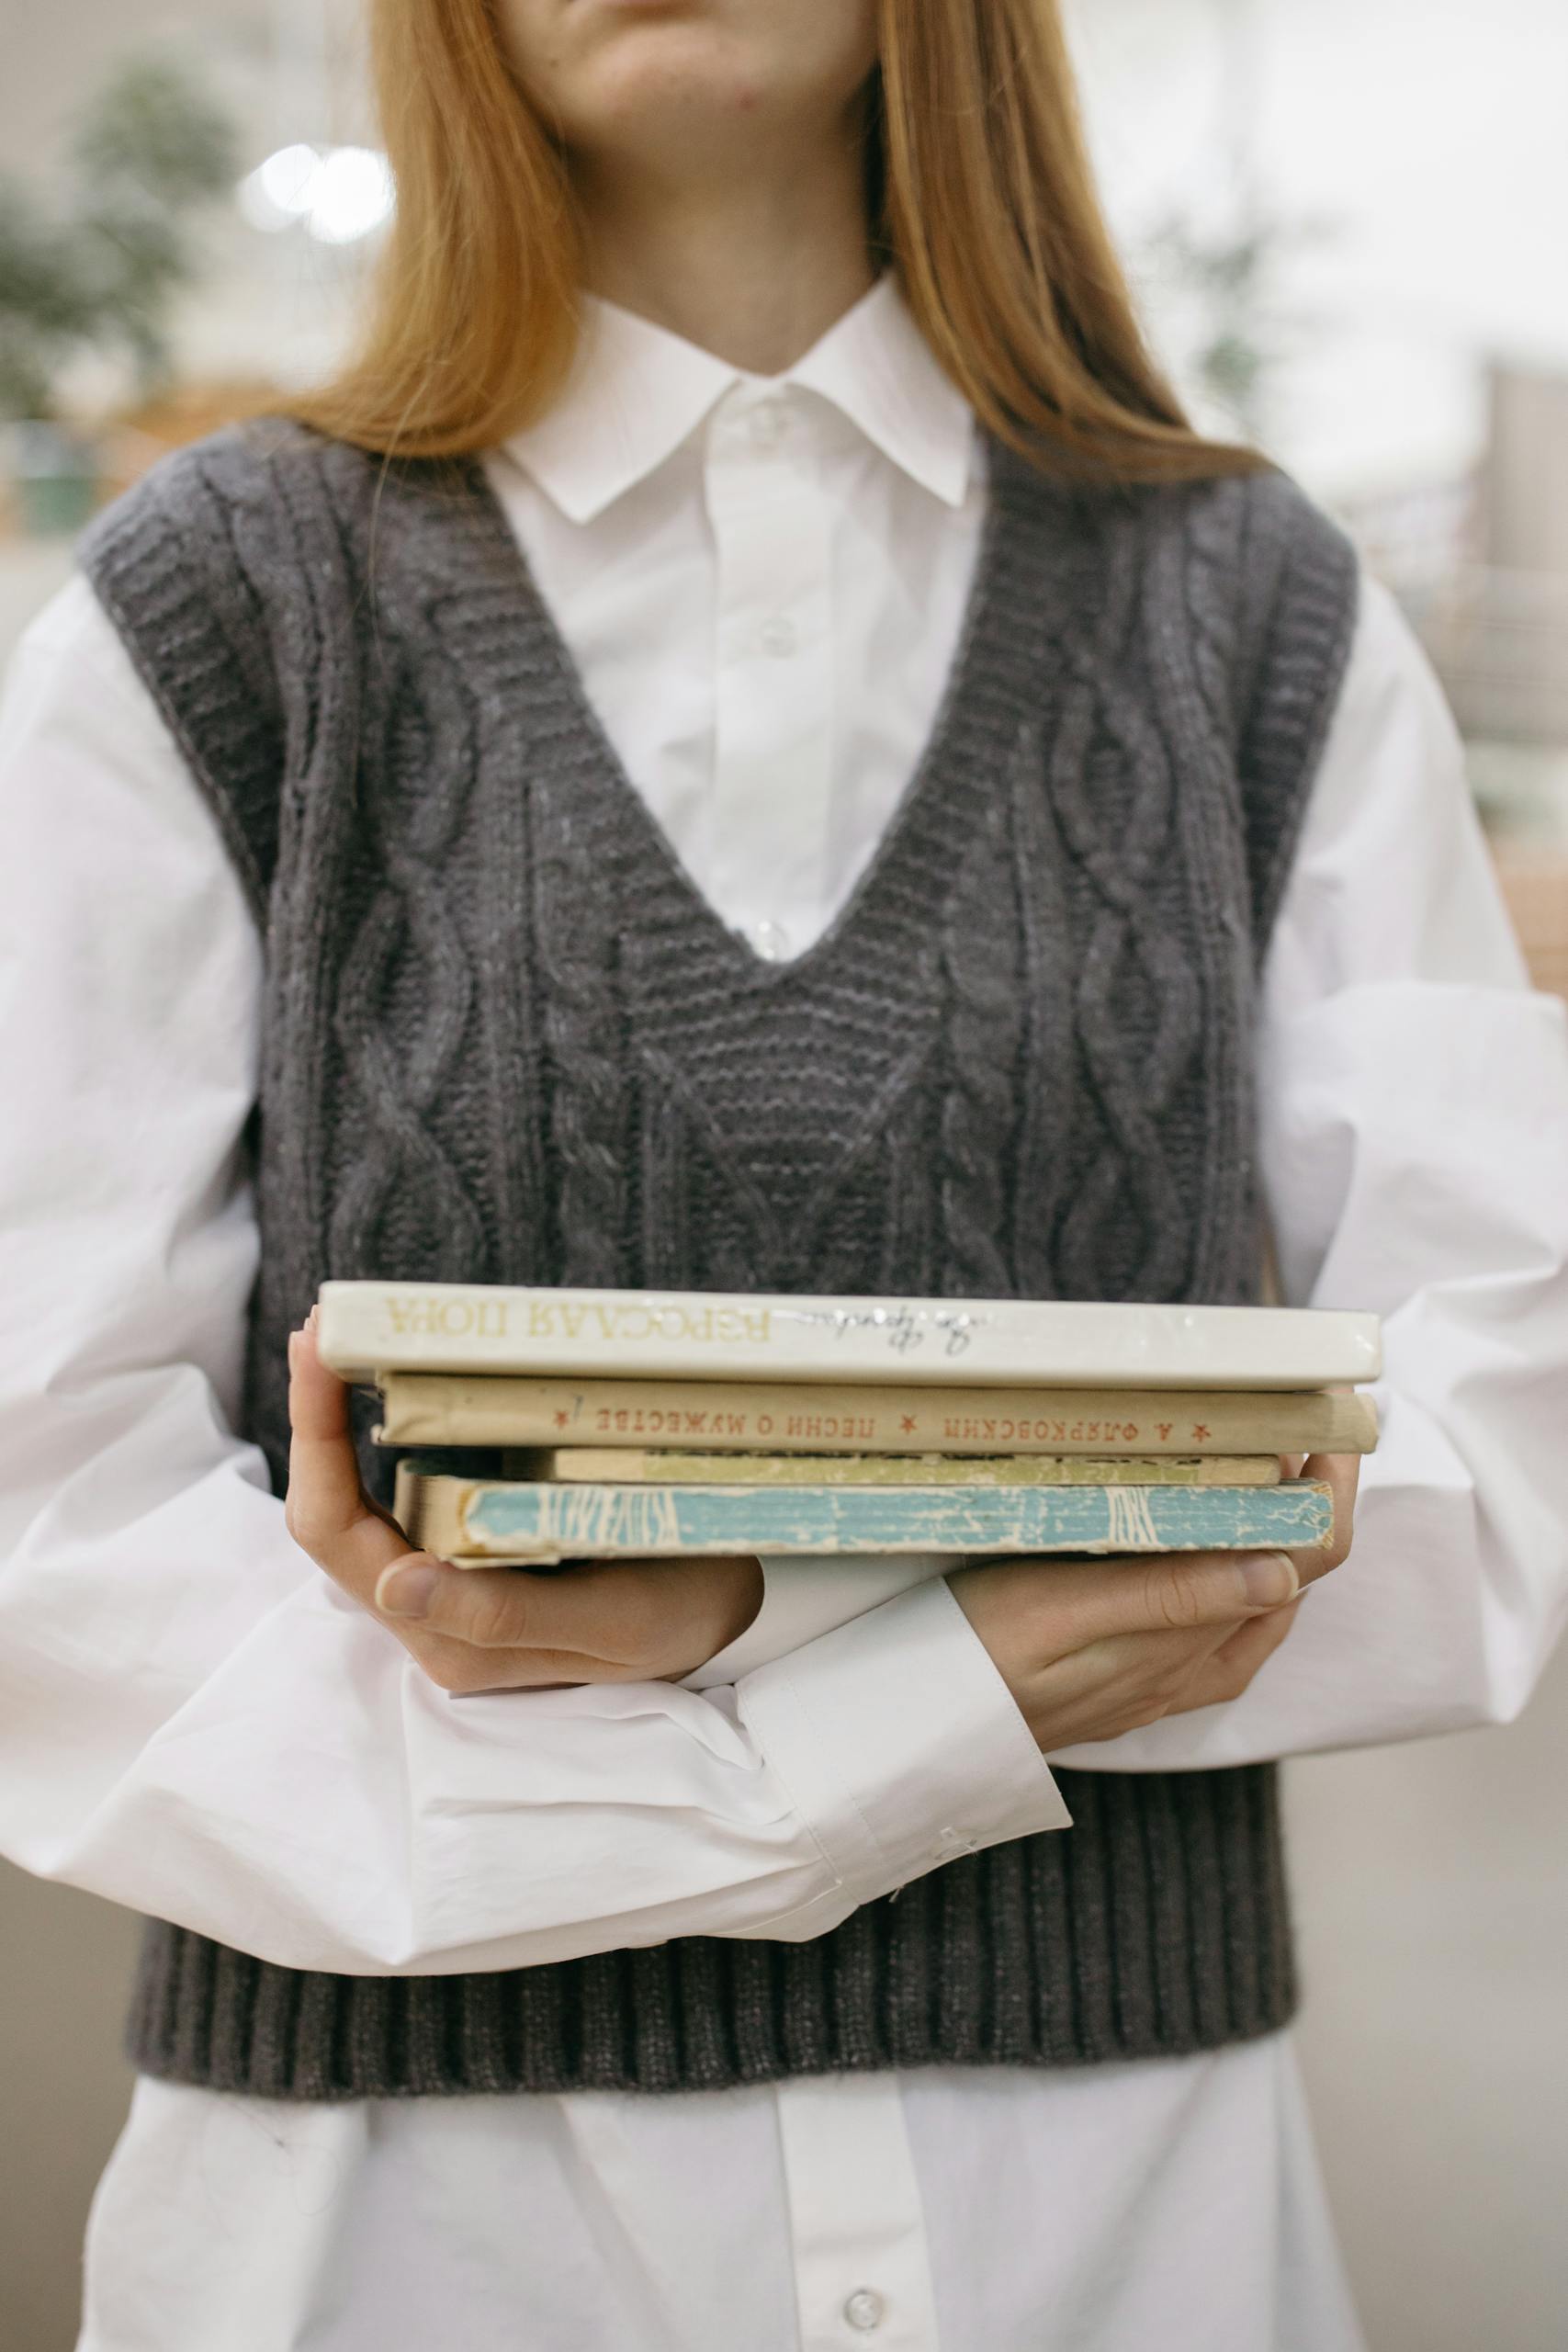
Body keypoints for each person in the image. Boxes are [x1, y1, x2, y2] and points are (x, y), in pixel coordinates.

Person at [1, 3, 1565, 2347]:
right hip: (405, 2234)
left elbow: (1486, 1462)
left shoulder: (1257, 612)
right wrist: (864, 1733)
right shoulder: (214, 612)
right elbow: (55, 1554)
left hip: (1114, 2221)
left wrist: (720, 1607)